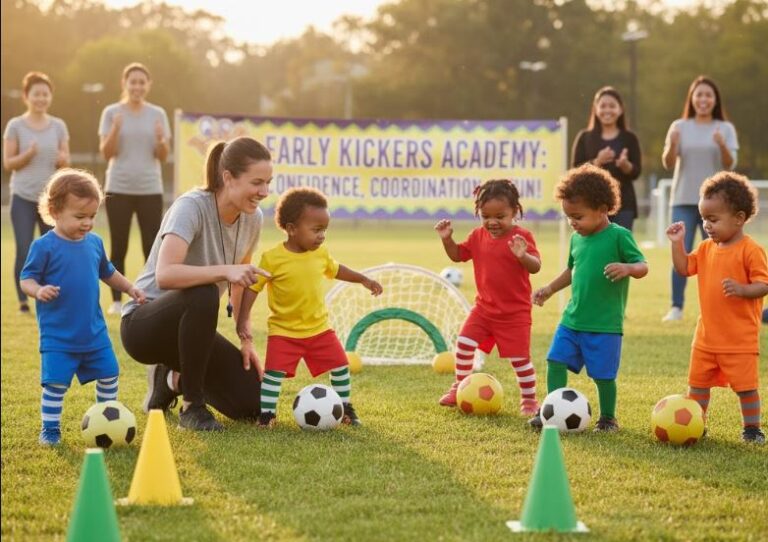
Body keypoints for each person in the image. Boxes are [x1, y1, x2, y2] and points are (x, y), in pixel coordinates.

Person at [120, 136, 272, 432]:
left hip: (192, 329)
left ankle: (169, 381)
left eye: (268, 182)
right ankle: (192, 407)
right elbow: (166, 274)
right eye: (257, 182)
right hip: (143, 324)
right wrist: (224, 271)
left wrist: (246, 338)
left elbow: (240, 280)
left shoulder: (253, 219)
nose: (264, 192)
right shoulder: (191, 206)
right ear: (228, 177)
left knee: (254, 402)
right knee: (203, 292)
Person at [236, 187, 383, 427]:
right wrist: (243, 319)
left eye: (324, 230)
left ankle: (344, 408)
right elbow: (253, 288)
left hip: (319, 329)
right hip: (284, 331)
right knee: (273, 375)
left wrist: (363, 279)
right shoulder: (272, 258)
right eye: (316, 230)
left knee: (340, 366)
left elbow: (337, 269)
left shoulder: (320, 254)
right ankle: (267, 415)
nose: (322, 236)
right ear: (292, 229)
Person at [19, 169, 145, 446]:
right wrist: (38, 290)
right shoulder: (44, 246)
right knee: (55, 385)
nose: (87, 223)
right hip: (58, 336)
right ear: (54, 211)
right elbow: (26, 279)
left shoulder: (95, 243)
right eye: (80, 217)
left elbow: (108, 272)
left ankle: (105, 420)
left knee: (110, 374)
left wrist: (130, 288)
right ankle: (50, 430)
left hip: (94, 332)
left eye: (92, 216)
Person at [529, 164, 648, 432]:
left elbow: (643, 266)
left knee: (603, 376)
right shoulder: (576, 239)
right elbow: (573, 270)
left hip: (605, 324)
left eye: (578, 216)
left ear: (603, 209)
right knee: (555, 360)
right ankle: (551, 409)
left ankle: (608, 418)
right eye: (569, 217)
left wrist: (628, 268)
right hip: (573, 319)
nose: (573, 222)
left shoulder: (619, 236)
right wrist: (549, 289)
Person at [666, 172, 767, 444]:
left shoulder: (751, 250)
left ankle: (752, 428)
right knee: (698, 386)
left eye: (713, 219)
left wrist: (743, 290)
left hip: (739, 339)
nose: (706, 225)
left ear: (739, 218)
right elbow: (684, 267)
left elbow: (763, 284)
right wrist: (677, 245)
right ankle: (697, 424)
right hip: (706, 338)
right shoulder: (705, 247)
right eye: (703, 218)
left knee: (746, 389)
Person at [434, 179, 542, 415]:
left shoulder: (522, 237)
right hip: (483, 309)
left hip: (514, 313)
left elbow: (536, 267)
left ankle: (529, 400)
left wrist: (523, 255)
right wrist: (447, 239)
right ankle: (460, 386)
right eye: (485, 216)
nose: (492, 222)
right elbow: (457, 255)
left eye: (500, 216)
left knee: (520, 360)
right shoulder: (477, 235)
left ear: (515, 211)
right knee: (463, 344)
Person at [661, 75, 739, 322]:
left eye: (708, 95)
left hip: (718, 204)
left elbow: (731, 164)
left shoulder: (724, 128)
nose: (703, 99)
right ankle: (676, 306)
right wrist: (673, 144)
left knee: (719, 255)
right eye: (699, 95)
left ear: (715, 100)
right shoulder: (679, 126)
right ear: (692, 99)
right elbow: (667, 163)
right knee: (680, 251)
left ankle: (718, 305)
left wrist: (721, 145)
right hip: (683, 199)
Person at [99, 62, 171, 315]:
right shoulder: (111, 112)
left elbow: (163, 156)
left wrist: (161, 139)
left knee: (151, 247)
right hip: (118, 187)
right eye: (133, 81)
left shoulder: (158, 114)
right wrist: (116, 129)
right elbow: (107, 153)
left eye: (142, 82)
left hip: (150, 189)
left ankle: (150, 297)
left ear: (148, 85)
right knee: (119, 245)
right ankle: (117, 301)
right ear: (124, 83)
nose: (137, 86)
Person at [3, 71, 70, 313]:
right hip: (22, 196)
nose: (41, 98)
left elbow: (66, 161)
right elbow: (8, 163)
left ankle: (50, 295)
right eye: (36, 94)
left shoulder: (59, 126)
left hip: (50, 200)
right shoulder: (16, 126)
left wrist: (63, 159)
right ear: (26, 96)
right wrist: (27, 155)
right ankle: (23, 300)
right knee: (24, 247)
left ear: (50, 96)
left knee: (53, 248)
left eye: (45, 94)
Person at [571, 86, 642, 231]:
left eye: (612, 106)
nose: (607, 110)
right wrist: (597, 161)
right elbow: (575, 170)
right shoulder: (585, 137)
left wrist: (625, 165)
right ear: (596, 109)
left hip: (624, 205)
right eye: (603, 106)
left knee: (620, 249)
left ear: (620, 110)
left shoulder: (629, 138)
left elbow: (636, 171)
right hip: (591, 204)